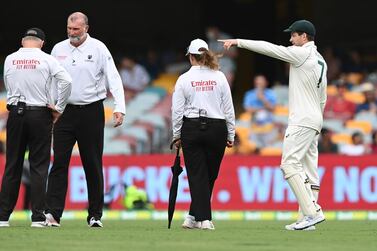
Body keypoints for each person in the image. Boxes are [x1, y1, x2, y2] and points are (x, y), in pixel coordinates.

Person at [220, 19, 327, 230]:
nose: (290, 39)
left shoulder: (301, 54)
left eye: (293, 35)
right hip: (314, 118)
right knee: (309, 169)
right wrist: (318, 120)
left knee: (289, 164)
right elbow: (322, 96)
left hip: (302, 120)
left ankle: (312, 213)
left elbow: (270, 49)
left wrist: (239, 42)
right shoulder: (320, 58)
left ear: (303, 37)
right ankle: (306, 219)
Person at [44, 12, 126, 228]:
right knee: (59, 162)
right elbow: (51, 80)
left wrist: (120, 107)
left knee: (92, 163)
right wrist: (50, 106)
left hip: (91, 111)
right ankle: (53, 214)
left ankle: (95, 215)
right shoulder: (58, 49)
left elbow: (113, 76)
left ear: (86, 28)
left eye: (76, 30)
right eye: (69, 29)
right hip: (63, 112)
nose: (72, 33)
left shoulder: (99, 48)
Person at [0, 27, 72, 228]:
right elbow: (67, 80)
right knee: (39, 167)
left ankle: (3, 217)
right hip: (40, 113)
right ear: (41, 43)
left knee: (12, 166)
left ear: (23, 41)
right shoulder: (47, 59)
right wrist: (59, 107)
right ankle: (38, 218)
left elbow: (8, 83)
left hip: (15, 113)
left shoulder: (10, 59)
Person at [171, 38, 235, 230]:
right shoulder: (220, 76)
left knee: (197, 174)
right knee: (209, 175)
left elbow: (177, 110)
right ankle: (201, 218)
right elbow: (228, 108)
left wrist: (176, 134)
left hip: (191, 127)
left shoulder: (183, 79)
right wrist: (231, 133)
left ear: (191, 56)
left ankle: (196, 216)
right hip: (217, 127)